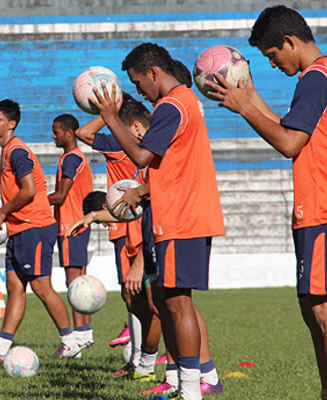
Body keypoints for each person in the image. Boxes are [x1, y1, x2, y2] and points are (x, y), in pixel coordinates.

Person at [206, 6, 327, 400]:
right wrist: (251, 97)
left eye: (272, 56)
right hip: (317, 208)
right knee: (313, 310)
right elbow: (291, 132)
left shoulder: (316, 79)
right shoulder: (321, 76)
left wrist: (243, 109)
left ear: (289, 42)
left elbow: (288, 143)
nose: (273, 64)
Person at [91, 43, 226, 400]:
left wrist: (110, 116)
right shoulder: (185, 101)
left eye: (138, 83)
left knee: (177, 302)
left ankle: (194, 388)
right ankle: (195, 379)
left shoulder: (170, 105)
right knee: (172, 299)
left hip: (181, 216)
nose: (138, 92)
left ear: (153, 72)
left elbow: (139, 154)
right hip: (185, 212)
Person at [0, 99, 81, 361]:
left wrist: (2, 211)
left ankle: (71, 343)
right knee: (14, 286)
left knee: (41, 287)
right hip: (19, 228)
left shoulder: (17, 151)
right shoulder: (7, 151)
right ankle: (0, 350)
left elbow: (29, 190)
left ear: (11, 124)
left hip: (34, 227)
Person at [75, 93, 143, 352]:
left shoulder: (119, 143)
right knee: (135, 289)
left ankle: (140, 348)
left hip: (123, 223)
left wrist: (108, 114)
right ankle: (138, 351)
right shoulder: (136, 143)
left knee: (132, 289)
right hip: (127, 218)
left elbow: (83, 133)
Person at [48, 113, 94, 351]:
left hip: (70, 225)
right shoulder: (76, 158)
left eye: (56, 132)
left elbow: (61, 196)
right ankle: (85, 333)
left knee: (73, 282)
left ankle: (76, 340)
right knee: (80, 281)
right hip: (78, 224)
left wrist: (34, 202)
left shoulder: (71, 159)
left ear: (68, 133)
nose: (53, 136)